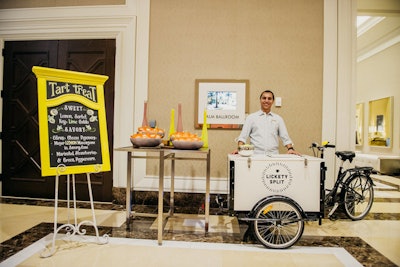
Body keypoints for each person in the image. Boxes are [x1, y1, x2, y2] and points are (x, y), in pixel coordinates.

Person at [233, 90, 300, 155]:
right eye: (264, 98)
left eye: (269, 98)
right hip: (256, 156)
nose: (266, 101)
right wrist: (239, 149)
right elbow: (243, 136)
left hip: (274, 156)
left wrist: (290, 149)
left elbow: (285, 137)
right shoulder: (251, 118)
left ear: (273, 101)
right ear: (260, 100)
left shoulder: (278, 119)